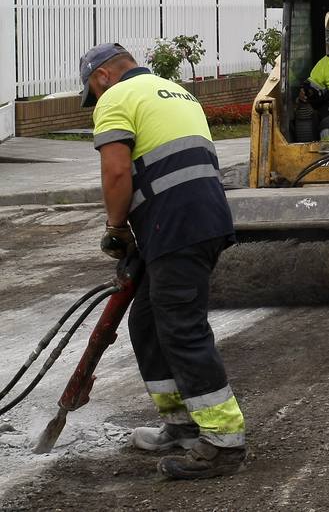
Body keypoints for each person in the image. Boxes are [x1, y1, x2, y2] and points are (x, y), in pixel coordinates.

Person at [79, 42, 247, 479]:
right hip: (201, 220)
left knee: (181, 326)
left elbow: (117, 172)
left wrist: (116, 230)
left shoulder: (115, 98)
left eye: (93, 94)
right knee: (149, 320)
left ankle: (223, 442)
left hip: (174, 225)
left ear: (102, 78)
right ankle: (181, 424)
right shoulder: (173, 90)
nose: (96, 101)